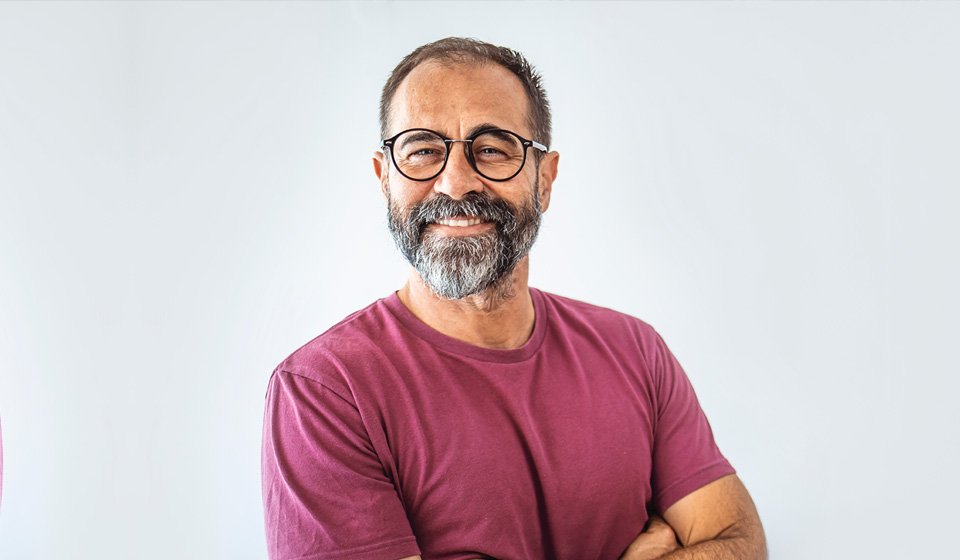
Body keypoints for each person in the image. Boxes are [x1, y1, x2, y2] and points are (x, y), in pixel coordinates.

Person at [261, 37, 766, 560]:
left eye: (492, 149)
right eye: (423, 150)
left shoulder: (635, 351)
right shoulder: (323, 394)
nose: (455, 184)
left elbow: (740, 543)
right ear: (384, 177)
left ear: (544, 180)